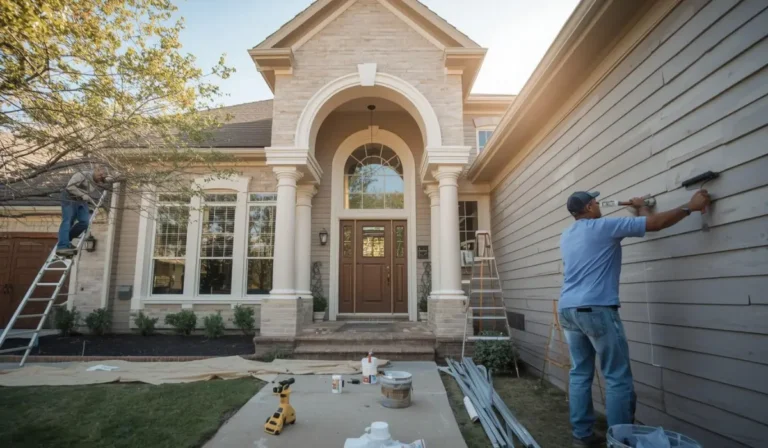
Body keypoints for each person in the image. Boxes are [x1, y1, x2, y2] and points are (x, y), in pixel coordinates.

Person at [559, 189, 711, 447]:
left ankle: (581, 436)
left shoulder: (568, 234)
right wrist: (690, 207)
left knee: (580, 374)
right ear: (588, 208)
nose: (598, 203)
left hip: (568, 310)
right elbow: (656, 224)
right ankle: (620, 441)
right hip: (596, 309)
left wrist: (640, 209)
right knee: (617, 377)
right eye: (594, 201)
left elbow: (643, 221)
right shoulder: (604, 226)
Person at [56, 166, 110, 256]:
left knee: (85, 222)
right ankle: (62, 246)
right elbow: (70, 187)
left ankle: (65, 240)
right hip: (69, 197)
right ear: (97, 169)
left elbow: (107, 180)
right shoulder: (81, 175)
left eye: (102, 178)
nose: (101, 178)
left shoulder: (96, 181)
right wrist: (82, 194)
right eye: (100, 175)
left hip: (81, 201)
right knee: (68, 220)